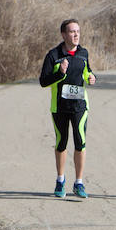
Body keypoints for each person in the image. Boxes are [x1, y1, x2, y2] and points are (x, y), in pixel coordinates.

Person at [39, 19, 96, 198]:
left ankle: (79, 183)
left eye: (78, 31)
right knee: (61, 142)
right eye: (72, 32)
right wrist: (60, 73)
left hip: (80, 106)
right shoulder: (53, 55)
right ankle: (60, 180)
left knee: (80, 142)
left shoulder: (83, 53)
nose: (76, 35)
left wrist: (91, 77)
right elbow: (43, 81)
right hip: (60, 107)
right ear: (64, 34)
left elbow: (87, 72)